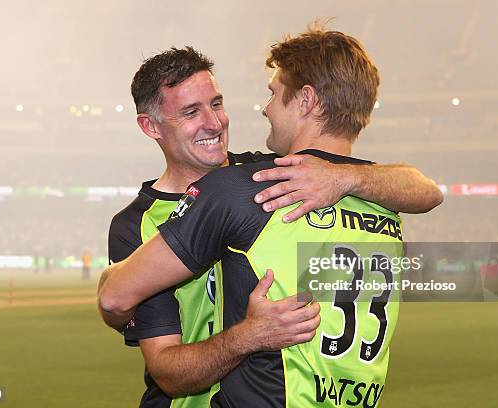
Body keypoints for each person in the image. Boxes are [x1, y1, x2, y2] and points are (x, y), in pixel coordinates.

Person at [101, 38, 442, 407]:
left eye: (217, 103)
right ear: (151, 126)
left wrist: (343, 178)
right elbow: (155, 355)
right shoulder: (137, 224)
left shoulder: (266, 181)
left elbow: (427, 190)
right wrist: (248, 335)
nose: (214, 121)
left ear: (307, 100)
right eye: (190, 112)